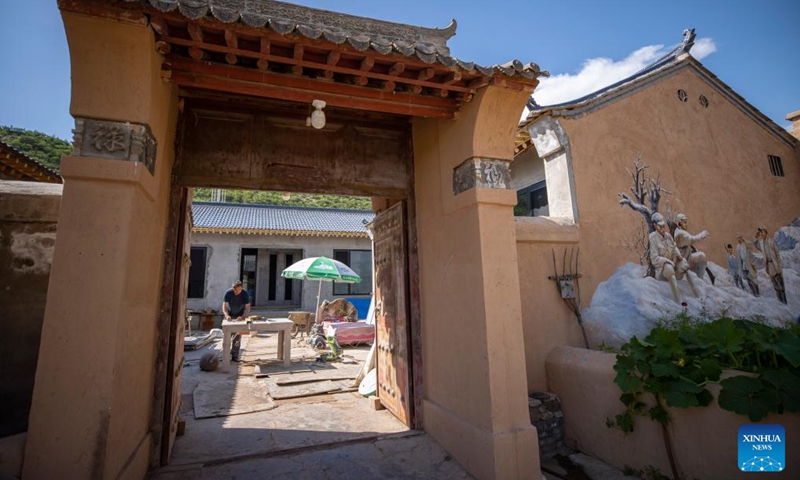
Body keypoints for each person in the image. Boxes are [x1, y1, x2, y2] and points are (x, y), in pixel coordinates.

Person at [649, 212, 697, 303]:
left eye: (663, 226)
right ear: (655, 225)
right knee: (669, 268)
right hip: (662, 272)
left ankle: (696, 294)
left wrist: (679, 256)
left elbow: (674, 248)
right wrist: (668, 261)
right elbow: (654, 259)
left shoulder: (668, 236)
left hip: (673, 266)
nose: (663, 229)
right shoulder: (653, 238)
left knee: (684, 264)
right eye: (660, 227)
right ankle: (678, 300)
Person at [756, 226, 787, 304]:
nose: (761, 234)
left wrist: (780, 269)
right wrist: (755, 237)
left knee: (781, 286)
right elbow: (755, 244)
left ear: (766, 233)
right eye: (760, 233)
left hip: (775, 265)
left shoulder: (771, 242)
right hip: (769, 267)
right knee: (775, 286)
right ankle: (780, 303)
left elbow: (777, 255)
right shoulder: (761, 243)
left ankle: (784, 302)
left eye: (762, 232)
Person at [673, 213, 709, 279]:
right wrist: (702, 235)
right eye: (684, 222)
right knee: (702, 256)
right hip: (683, 261)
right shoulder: (681, 233)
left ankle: (699, 280)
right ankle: (700, 279)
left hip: (687, 258)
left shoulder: (679, 231)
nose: (686, 224)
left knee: (701, 256)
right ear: (679, 223)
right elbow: (691, 239)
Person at [222, 280, 251, 362]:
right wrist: (227, 315)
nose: (238, 292)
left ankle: (235, 356)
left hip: (240, 316)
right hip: (230, 315)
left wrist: (242, 317)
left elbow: (247, 307)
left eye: (240, 290)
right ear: (233, 289)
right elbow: (224, 306)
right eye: (236, 290)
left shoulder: (244, 294)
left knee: (237, 337)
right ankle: (225, 355)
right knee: (227, 336)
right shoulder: (228, 293)